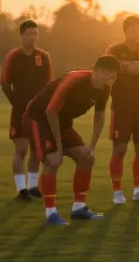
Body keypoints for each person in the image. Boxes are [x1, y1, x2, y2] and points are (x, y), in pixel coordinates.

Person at [22, 55, 120, 225]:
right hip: (38, 118)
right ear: (97, 71)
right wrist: (58, 147)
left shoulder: (104, 89)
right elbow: (50, 112)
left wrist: (92, 146)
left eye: (114, 77)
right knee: (53, 160)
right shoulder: (74, 80)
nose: (111, 80)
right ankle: (51, 214)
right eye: (109, 75)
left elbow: (99, 115)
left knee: (86, 158)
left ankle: (79, 208)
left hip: (62, 122)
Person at [105, 15, 139, 204]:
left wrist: (133, 67)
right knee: (119, 149)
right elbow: (121, 70)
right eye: (134, 28)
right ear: (125, 29)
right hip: (121, 106)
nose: (137, 32)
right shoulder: (114, 50)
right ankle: (117, 192)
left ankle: (138, 190)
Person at [0, 19, 52, 200]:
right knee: (21, 149)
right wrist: (15, 102)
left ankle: (32, 187)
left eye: (35, 34)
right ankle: (21, 189)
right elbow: (5, 83)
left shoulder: (43, 57)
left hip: (38, 111)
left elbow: (48, 85)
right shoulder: (14, 57)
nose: (33, 37)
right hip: (20, 111)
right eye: (29, 34)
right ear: (22, 36)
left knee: (37, 150)